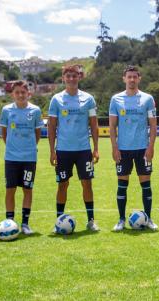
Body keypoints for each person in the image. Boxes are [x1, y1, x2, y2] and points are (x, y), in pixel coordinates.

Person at [48, 64, 100, 232]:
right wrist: (52, 150)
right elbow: (51, 126)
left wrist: (96, 148)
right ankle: (58, 222)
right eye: (68, 76)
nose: (71, 78)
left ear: (79, 77)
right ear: (63, 78)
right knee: (62, 185)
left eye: (74, 75)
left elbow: (94, 125)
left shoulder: (88, 99)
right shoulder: (56, 99)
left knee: (87, 184)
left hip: (83, 150)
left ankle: (91, 221)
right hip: (63, 150)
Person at [109, 65, 158, 231]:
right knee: (122, 184)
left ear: (139, 78)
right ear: (124, 79)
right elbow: (112, 126)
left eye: (134, 77)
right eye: (128, 77)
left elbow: (153, 125)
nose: (131, 79)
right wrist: (115, 148)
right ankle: (121, 220)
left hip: (142, 149)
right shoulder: (116, 99)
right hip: (123, 149)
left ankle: (149, 218)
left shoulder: (147, 99)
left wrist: (150, 147)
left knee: (146, 184)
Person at [0, 81, 43, 235]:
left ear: (28, 93)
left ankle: (25, 224)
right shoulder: (6, 110)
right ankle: (9, 222)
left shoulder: (35, 111)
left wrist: (28, 148)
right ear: (12, 94)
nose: (20, 95)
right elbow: (4, 134)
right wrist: (12, 147)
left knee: (27, 189)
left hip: (29, 158)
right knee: (10, 190)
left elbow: (37, 134)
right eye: (17, 92)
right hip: (11, 158)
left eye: (23, 92)